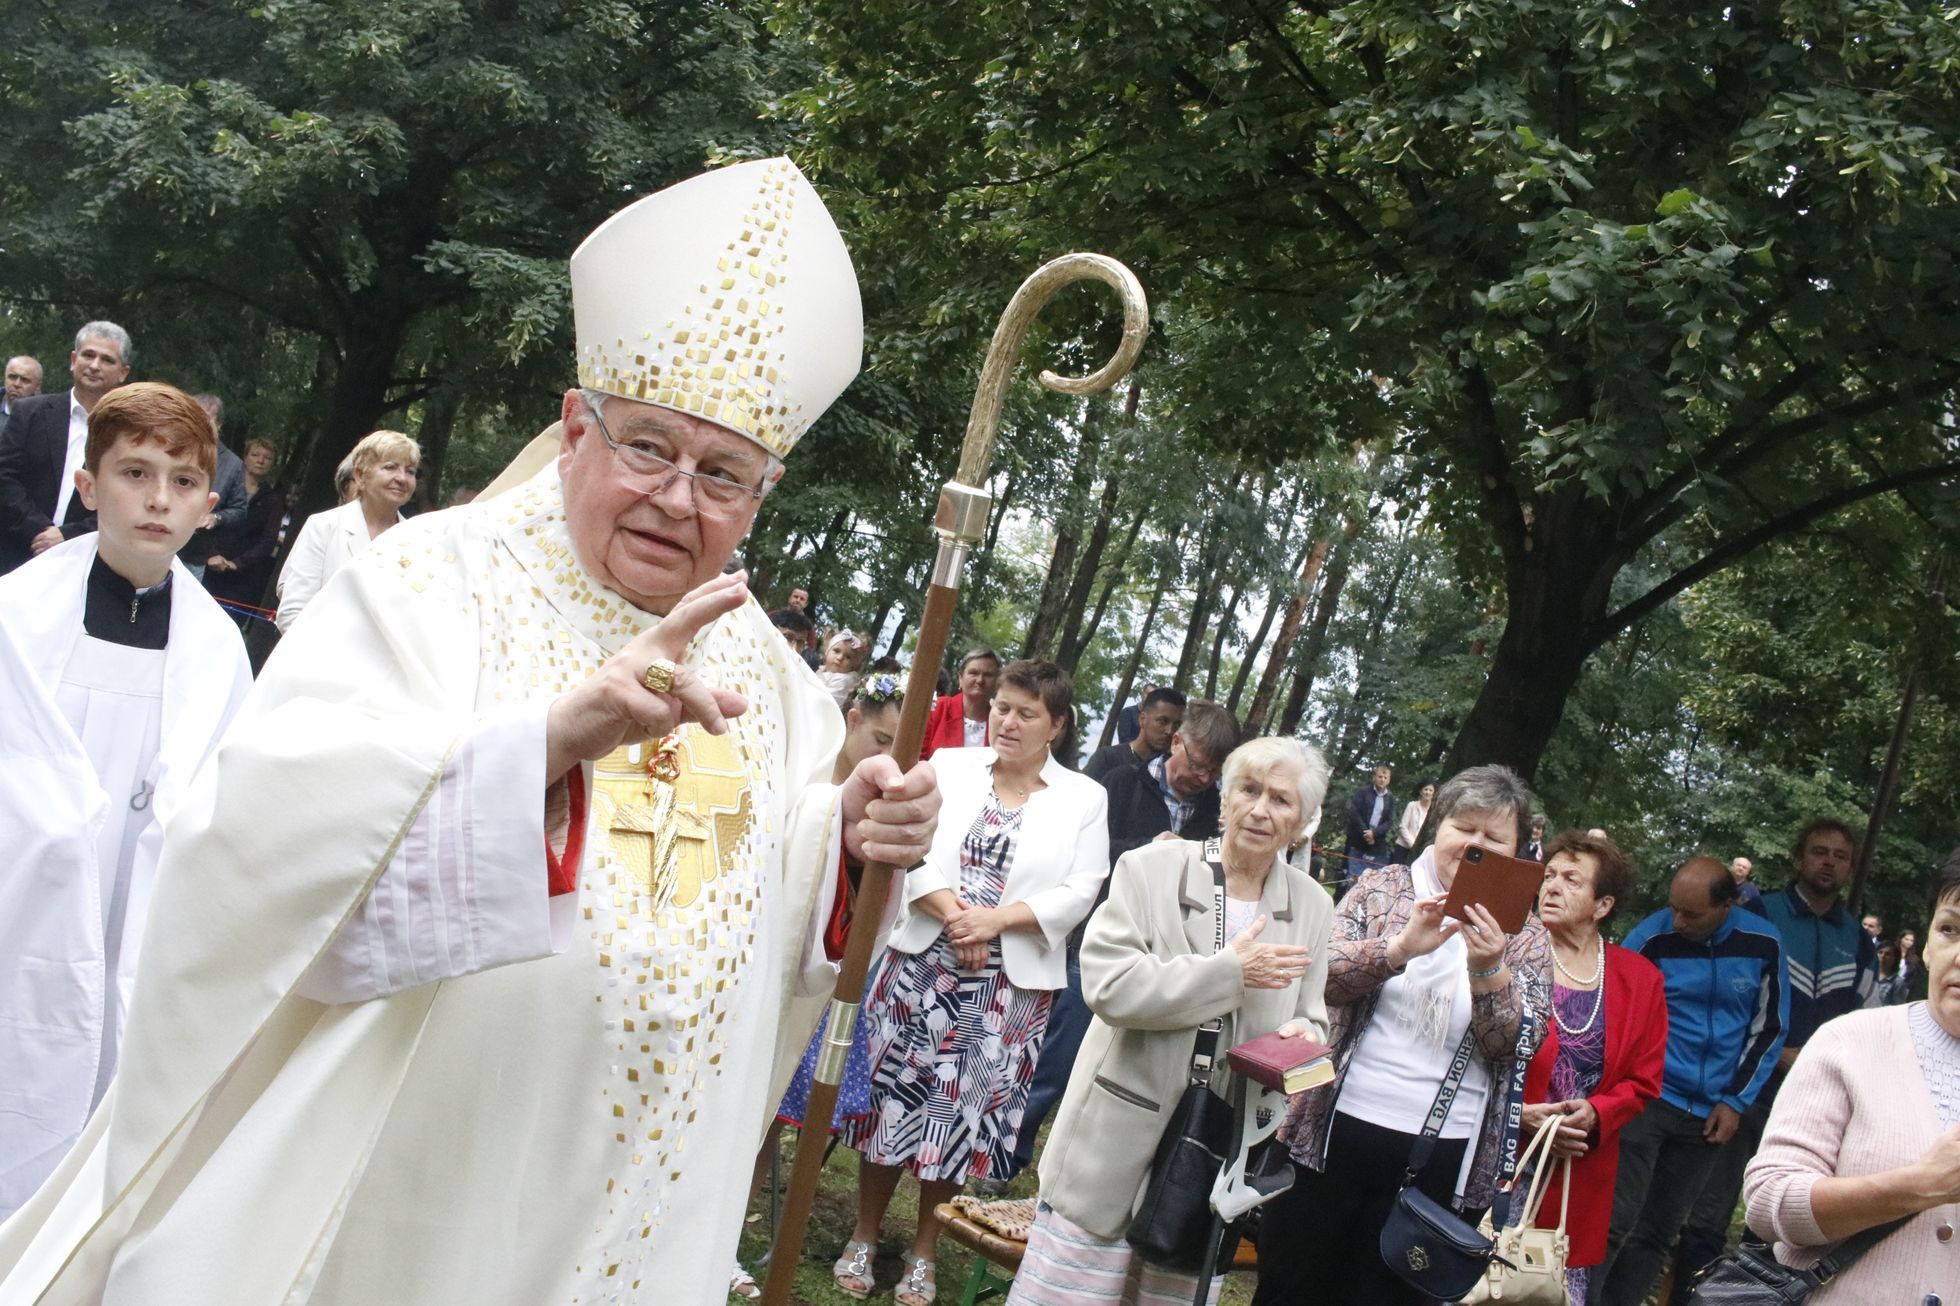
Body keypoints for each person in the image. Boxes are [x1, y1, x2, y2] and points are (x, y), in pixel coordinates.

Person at [0, 156, 941, 1306]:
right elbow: (254, 838)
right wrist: (541, 744)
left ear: (764, 492)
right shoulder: (427, 583)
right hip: (417, 1181)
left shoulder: (776, 681)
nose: (677, 499)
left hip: (641, 1195)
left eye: (724, 475)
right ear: (575, 426)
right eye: (647, 447)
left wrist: (840, 839)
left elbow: (775, 895)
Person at [0, 382, 252, 1217]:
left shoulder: (219, 653)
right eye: (133, 474)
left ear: (208, 506)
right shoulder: (15, 620)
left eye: (182, 484)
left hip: (137, 916)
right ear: (85, 486)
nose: (156, 501)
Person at [1009, 736, 1336, 1306]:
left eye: (1281, 800)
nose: (1260, 810)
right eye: (1249, 790)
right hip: (1117, 1133)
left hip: (1215, 1151)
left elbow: (1314, 1029)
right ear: (1225, 798)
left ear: (1303, 821)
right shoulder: (1151, 869)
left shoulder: (1312, 906)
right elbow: (1109, 989)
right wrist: (1230, 972)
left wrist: (1305, 1044)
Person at [836, 659, 1108, 1306]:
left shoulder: (1083, 798)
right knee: (893, 1102)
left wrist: (996, 923)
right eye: (1003, 708)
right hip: (923, 960)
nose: (1007, 722)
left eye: (1026, 714)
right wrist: (962, 919)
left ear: (1057, 726)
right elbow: (913, 847)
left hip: (1007, 989)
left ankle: (924, 1252)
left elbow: (1081, 889)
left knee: (960, 1117)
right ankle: (865, 1235)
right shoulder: (951, 766)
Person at [1254, 765, 1551, 1305]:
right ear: (1437, 826)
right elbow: (1323, 977)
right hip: (1331, 1132)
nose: (1475, 845)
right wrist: (1398, 950)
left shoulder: (1525, 934)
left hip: (1441, 1155)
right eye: (1465, 827)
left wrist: (1489, 971)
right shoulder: (1382, 888)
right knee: (1290, 1284)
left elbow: (1516, 1045)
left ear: (1518, 851)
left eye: (1495, 838)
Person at [1741, 846, 1960, 1301]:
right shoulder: (1851, 1041)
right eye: (1950, 929)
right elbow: (1767, 1201)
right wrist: (1916, 1187)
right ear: (1927, 943)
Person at [1672, 819, 1877, 1295]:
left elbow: (1868, 1022)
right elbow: (1725, 998)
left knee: (1778, 1231)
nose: (1828, 861)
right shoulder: (1758, 912)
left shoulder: (1858, 939)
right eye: (1819, 851)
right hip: (1745, 1091)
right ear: (1798, 858)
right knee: (1706, 1218)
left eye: (1840, 855)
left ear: (1850, 866)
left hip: (1818, 1106)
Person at [1594, 857, 1789, 1306]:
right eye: (1674, 909)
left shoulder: (1763, 943)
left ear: (1728, 905)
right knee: (1612, 1222)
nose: (1678, 921)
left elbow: (1770, 1028)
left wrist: (1736, 1102)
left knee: (1658, 1233)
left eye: (1692, 914)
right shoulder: (1650, 937)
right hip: (1648, 1099)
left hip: (1710, 1114)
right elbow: (1612, 1011)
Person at [1521, 831, 1669, 1304]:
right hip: (1499, 1158)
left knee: (1547, 1291)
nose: (1552, 887)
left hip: (1576, 1171)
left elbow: (1645, 1080)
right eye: (1548, 876)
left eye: (1571, 879)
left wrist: (1599, 1112)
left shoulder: (1639, 979)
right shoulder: (1510, 952)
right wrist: (1521, 1113)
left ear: (1603, 905)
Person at [0, 322, 133, 572]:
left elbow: (126, 499)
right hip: (14, 552)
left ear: (123, 373)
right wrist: (40, 531)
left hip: (82, 561)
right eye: (88, 355)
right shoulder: (30, 412)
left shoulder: (128, 433)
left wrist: (67, 536)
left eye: (106, 359)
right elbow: (4, 476)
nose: (94, 365)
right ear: (74, 359)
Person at [273, 429, 420, 631]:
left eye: (410, 471)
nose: (402, 478)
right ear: (360, 475)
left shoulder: (418, 539)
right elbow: (292, 612)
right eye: (390, 467)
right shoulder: (324, 526)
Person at [1098, 699, 1240, 866]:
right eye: (1197, 765)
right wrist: (1149, 846)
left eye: (1216, 772)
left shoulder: (1218, 809)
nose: (1205, 778)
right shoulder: (1123, 783)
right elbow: (1090, 849)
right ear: (1176, 742)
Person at [201, 439, 286, 621]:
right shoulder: (224, 486)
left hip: (241, 578)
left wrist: (236, 563)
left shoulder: (273, 501)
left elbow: (268, 541)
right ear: (245, 457)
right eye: (255, 455)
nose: (260, 461)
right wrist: (211, 554)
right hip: (204, 564)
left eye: (267, 458)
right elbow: (206, 517)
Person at [174, 395, 248, 580]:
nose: (197, 424)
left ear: (219, 424)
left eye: (205, 418)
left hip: (195, 554)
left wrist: (216, 517)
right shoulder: (169, 449)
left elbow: (240, 509)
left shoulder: (233, 464)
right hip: (157, 540)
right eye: (192, 416)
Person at [1082, 685, 1184, 781]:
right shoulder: (1108, 759)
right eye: (1162, 721)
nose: (1170, 731)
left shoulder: (1170, 773)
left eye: (1177, 725)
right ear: (1142, 719)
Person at [920, 646, 1000, 757]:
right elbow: (917, 757)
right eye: (973, 673)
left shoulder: (1000, 721)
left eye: (988, 675)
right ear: (960, 679)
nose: (980, 680)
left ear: (997, 682)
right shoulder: (937, 708)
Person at [814, 628, 870, 709]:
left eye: (848, 657)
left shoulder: (844, 680)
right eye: (836, 651)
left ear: (854, 665)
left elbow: (827, 701)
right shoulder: (821, 670)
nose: (840, 658)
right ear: (827, 651)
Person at [1393, 779, 1434, 863]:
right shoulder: (1412, 805)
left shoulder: (1433, 811)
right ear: (1420, 792)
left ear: (1433, 794)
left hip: (1419, 852)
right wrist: (1413, 844)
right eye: (1425, 789)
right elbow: (1402, 827)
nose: (1428, 792)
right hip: (1402, 848)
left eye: (1430, 790)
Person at [1, 355, 42, 428]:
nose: (16, 384)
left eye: (24, 380)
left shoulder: (45, 416)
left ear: (37, 386)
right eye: (12, 377)